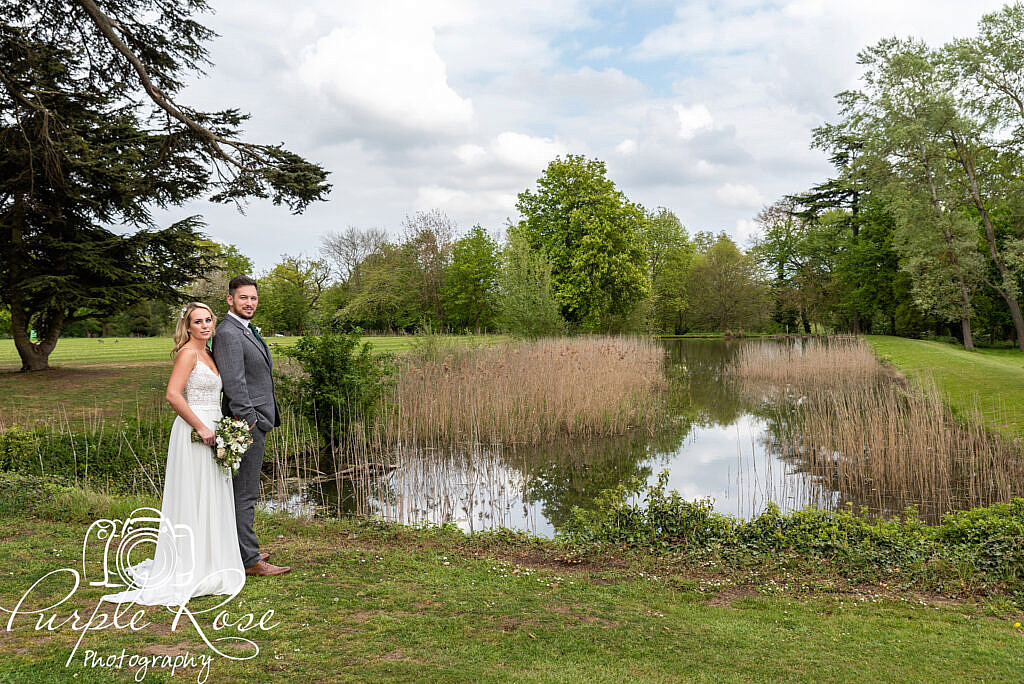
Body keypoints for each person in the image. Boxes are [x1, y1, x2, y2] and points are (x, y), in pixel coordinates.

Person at [102, 303, 245, 606]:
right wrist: (201, 427)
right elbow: (172, 394)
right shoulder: (188, 354)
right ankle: (189, 565)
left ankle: (212, 561)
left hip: (216, 429)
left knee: (212, 494)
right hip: (194, 433)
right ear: (188, 327)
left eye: (208, 320)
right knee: (193, 495)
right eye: (198, 321)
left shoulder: (209, 353)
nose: (205, 325)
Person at [213, 276, 290, 577]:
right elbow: (234, 383)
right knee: (244, 492)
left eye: (253, 298)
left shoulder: (245, 329)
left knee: (243, 489)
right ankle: (249, 560)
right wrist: (250, 421)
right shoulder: (229, 333)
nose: (249, 303)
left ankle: (242, 548)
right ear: (230, 300)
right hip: (247, 423)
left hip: (256, 418)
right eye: (243, 298)